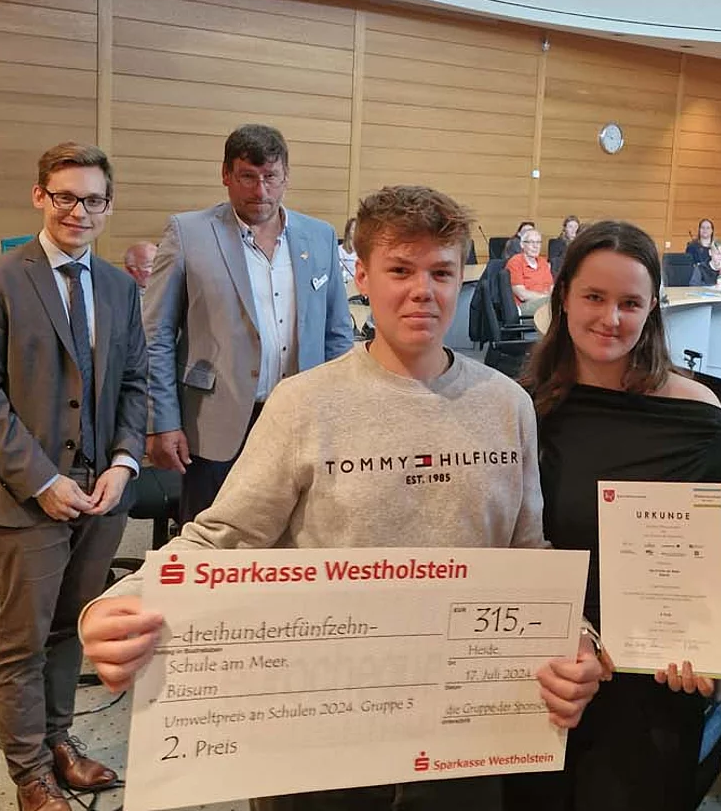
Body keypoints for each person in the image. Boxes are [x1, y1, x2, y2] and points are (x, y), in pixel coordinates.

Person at [79, 185, 606, 810]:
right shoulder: (305, 403)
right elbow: (223, 537)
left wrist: (577, 636)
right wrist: (119, 603)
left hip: (460, 736)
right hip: (323, 741)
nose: (423, 290)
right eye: (400, 270)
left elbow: (528, 554)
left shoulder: (507, 405)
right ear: (362, 277)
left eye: (441, 272)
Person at [507, 220, 721, 811]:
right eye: (594, 297)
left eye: (630, 303)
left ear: (652, 308)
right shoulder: (522, 409)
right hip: (547, 676)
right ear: (564, 296)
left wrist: (716, 662)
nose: (611, 318)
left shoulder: (697, 418)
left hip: (654, 685)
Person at [0, 142, 148, 811]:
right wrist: (42, 481)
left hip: (100, 493)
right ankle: (29, 772)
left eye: (93, 199)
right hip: (24, 496)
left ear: (108, 206)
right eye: (65, 196)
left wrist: (123, 462)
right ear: (40, 196)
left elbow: (134, 383)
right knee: (23, 641)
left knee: (72, 629)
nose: (78, 211)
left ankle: (58, 740)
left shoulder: (119, 287)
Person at [142, 123, 355, 524]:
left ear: (286, 176)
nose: (260, 191)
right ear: (226, 175)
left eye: (270, 177)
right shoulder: (188, 233)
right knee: (211, 539)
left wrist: (341, 413)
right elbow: (156, 335)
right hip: (215, 423)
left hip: (301, 420)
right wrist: (162, 421)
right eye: (248, 177)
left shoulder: (320, 236)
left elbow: (337, 335)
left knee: (295, 534)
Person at [507, 228, 555, 314]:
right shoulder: (515, 262)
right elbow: (522, 295)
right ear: (522, 244)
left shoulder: (543, 262)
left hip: (546, 304)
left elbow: (552, 288)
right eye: (531, 242)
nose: (535, 246)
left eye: (538, 242)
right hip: (525, 307)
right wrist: (546, 297)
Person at [338, 217, 358, 282]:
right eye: (353, 229)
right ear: (348, 231)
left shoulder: (365, 250)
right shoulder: (340, 250)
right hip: (347, 283)